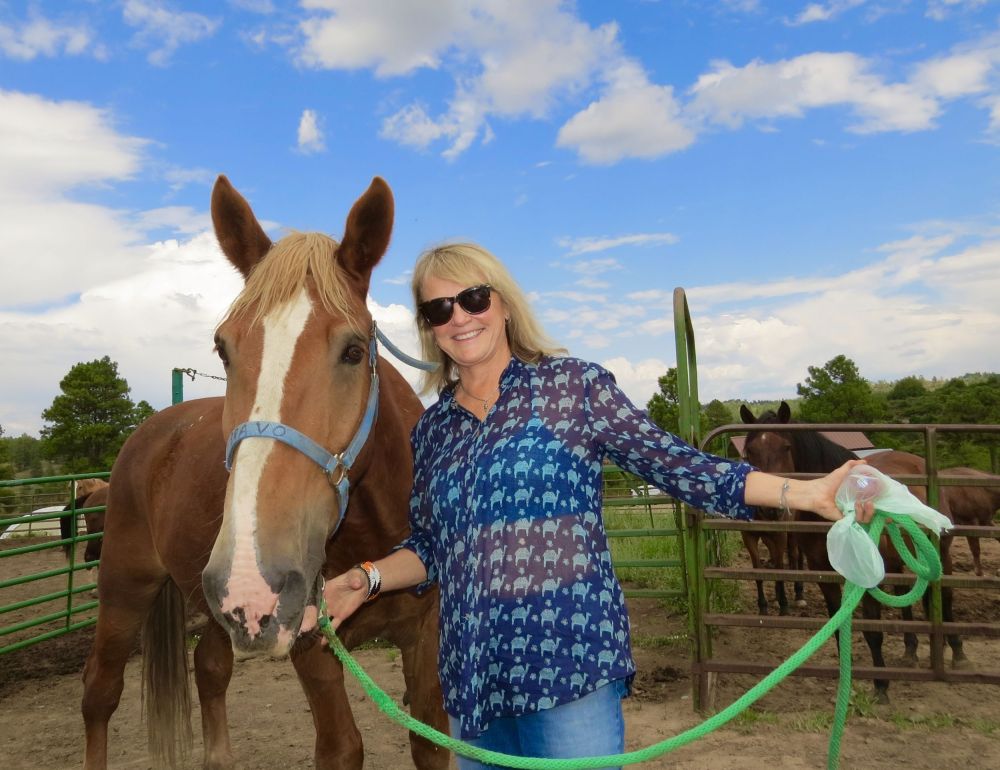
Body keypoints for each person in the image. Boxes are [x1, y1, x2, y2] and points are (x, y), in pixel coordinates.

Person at [322, 242, 874, 769]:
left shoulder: (574, 388)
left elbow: (680, 466)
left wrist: (803, 492)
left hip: (570, 671)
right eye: (440, 308)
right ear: (428, 327)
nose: (460, 317)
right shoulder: (435, 429)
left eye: (473, 298)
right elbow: (432, 547)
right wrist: (365, 578)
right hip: (474, 684)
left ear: (504, 303)